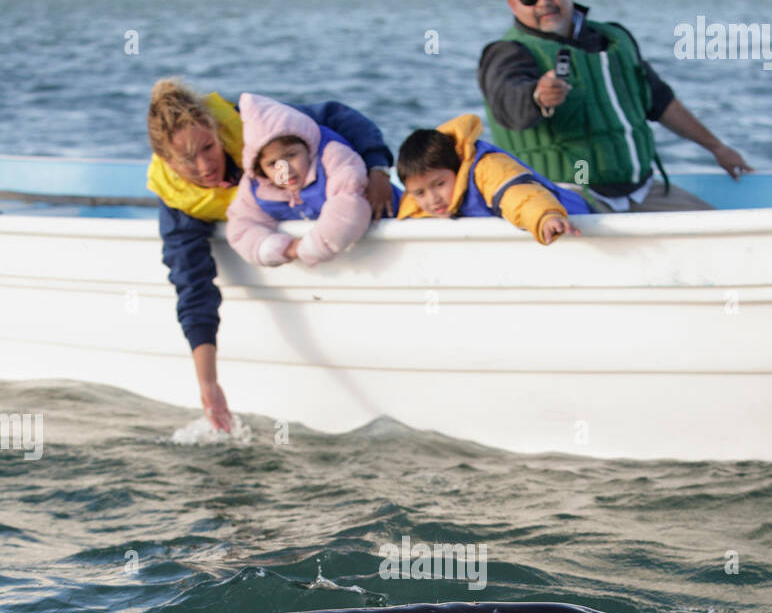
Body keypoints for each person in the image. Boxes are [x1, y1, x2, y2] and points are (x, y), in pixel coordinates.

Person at [146, 80, 396, 432]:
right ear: (167, 161)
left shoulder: (258, 129)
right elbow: (193, 286)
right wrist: (208, 383)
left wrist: (377, 168)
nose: (205, 166)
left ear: (219, 133)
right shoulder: (180, 204)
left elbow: (334, 116)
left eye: (208, 147)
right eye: (187, 159)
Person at [478, 0, 753, 214]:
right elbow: (507, 100)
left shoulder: (614, 41)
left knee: (713, 229)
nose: (543, 3)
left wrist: (718, 148)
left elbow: (660, 102)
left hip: (642, 190)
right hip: (568, 193)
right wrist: (537, 96)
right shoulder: (507, 53)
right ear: (513, 5)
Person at [226, 94, 381, 266]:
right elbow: (241, 225)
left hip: (386, 219)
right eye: (272, 164)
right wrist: (280, 248)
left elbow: (349, 204)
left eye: (291, 155)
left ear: (308, 147)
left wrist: (311, 248)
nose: (285, 170)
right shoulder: (256, 186)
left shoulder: (333, 157)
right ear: (260, 169)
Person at [396, 112, 589, 242]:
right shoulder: (417, 203)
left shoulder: (487, 169)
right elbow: (400, 208)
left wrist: (545, 216)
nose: (432, 199)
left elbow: (520, 197)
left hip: (573, 216)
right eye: (420, 192)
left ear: (457, 167)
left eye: (439, 184)